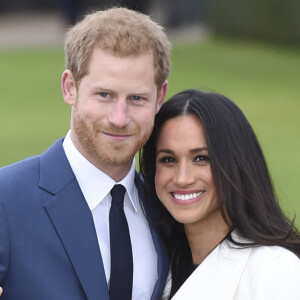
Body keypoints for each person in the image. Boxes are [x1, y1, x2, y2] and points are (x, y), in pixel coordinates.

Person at [0, 7, 171, 299]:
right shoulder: (6, 199)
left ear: (160, 98)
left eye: (137, 98)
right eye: (104, 95)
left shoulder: (168, 209)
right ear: (70, 88)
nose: (119, 117)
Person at [140, 89, 300, 300]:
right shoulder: (157, 265)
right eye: (169, 160)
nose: (182, 178)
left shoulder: (275, 270)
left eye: (201, 158)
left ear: (236, 164)